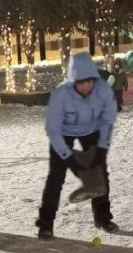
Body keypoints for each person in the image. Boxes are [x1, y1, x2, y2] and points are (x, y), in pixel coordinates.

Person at [36, 52, 118, 239]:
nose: (85, 86)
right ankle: (46, 223)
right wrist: (69, 159)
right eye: (80, 82)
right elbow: (53, 130)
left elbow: (107, 121)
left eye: (89, 81)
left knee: (100, 172)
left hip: (92, 129)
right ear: (73, 80)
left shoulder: (103, 90)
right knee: (56, 176)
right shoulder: (60, 95)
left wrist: (102, 150)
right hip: (63, 133)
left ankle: (102, 217)